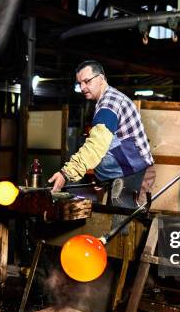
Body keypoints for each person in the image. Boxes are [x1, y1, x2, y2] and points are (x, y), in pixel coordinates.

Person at [48, 60, 154, 208]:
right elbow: (111, 147)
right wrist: (102, 177)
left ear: (101, 78)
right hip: (124, 172)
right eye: (80, 83)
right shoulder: (110, 99)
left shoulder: (108, 106)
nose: (82, 87)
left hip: (134, 174)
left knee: (120, 223)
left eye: (87, 81)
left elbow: (95, 147)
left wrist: (66, 173)